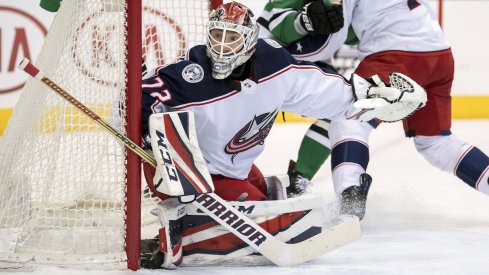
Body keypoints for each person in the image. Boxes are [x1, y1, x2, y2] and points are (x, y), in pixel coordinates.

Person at [139, 1, 424, 268]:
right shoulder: (190, 75)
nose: (223, 46)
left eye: (232, 38)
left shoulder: (274, 64)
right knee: (281, 222)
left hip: (232, 166)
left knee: (268, 193)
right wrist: (150, 138)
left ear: (250, 41)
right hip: (189, 174)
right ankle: (173, 241)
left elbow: (318, 90)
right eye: (217, 35)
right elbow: (133, 101)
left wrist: (366, 96)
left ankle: (215, 218)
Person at [258, 0, 489, 220]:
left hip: (396, 56)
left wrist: (289, 56)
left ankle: (349, 201)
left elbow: (332, 36)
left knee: (348, 118)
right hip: (439, 55)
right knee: (436, 142)